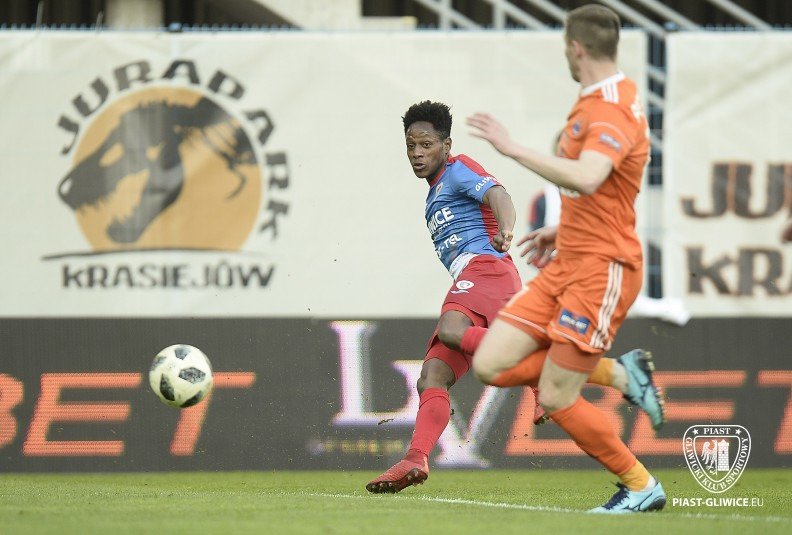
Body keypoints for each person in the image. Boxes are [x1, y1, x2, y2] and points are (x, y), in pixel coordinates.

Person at [366, 100, 664, 495]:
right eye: (411, 146)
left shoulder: (458, 168)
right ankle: (416, 458)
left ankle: (551, 365)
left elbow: (499, 195)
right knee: (432, 377)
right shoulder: (435, 194)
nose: (417, 153)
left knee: (452, 329)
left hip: (487, 272)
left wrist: (505, 230)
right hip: (478, 281)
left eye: (426, 144)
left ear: (446, 145)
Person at [466, 4, 667, 514]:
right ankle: (619, 374)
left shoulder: (611, 109)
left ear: (576, 48)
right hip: (569, 259)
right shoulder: (599, 98)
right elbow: (609, 187)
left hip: (602, 271)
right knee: (490, 364)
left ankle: (640, 485)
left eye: (565, 49)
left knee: (556, 397)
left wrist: (511, 148)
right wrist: (568, 227)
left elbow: (589, 176)